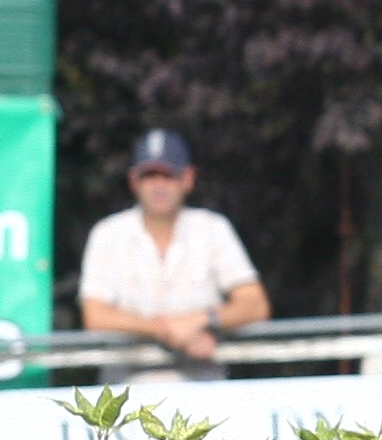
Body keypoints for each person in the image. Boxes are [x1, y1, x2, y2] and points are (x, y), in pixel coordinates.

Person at [76, 129, 268, 378]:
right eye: (150, 176)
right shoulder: (108, 233)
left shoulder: (213, 229)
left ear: (187, 179)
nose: (159, 185)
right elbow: (95, 316)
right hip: (127, 399)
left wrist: (202, 319)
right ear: (134, 181)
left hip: (202, 399)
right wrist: (168, 331)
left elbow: (255, 305)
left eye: (168, 175)